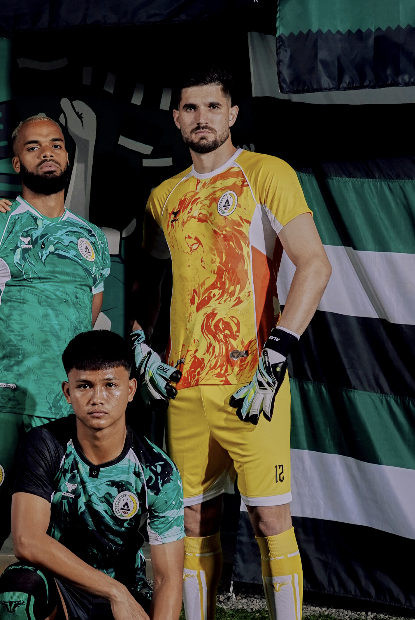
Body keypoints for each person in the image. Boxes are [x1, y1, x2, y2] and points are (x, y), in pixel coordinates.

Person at [130, 67, 331, 620]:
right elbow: (148, 279)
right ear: (176, 119)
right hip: (184, 387)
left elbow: (315, 266)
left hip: (253, 384)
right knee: (193, 520)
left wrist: (275, 360)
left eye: (212, 107)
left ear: (232, 113)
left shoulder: (266, 174)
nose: (202, 118)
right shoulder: (162, 196)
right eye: (190, 109)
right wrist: (139, 343)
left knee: (270, 520)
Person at [0, 114, 113, 620]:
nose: (48, 153)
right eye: (34, 146)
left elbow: (84, 330)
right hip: (7, 405)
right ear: (16, 160)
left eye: (57, 145)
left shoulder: (92, 240)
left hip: (68, 414)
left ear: (69, 157)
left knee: (62, 533)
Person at [0, 330, 184, 620]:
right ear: (67, 392)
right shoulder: (45, 445)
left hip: (126, 598)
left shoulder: (157, 470)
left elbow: (168, 579)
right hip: (62, 587)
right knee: (18, 587)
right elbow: (26, 541)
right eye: (84, 386)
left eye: (110, 385)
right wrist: (112, 590)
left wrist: (122, 595)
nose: (98, 398)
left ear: (131, 390)